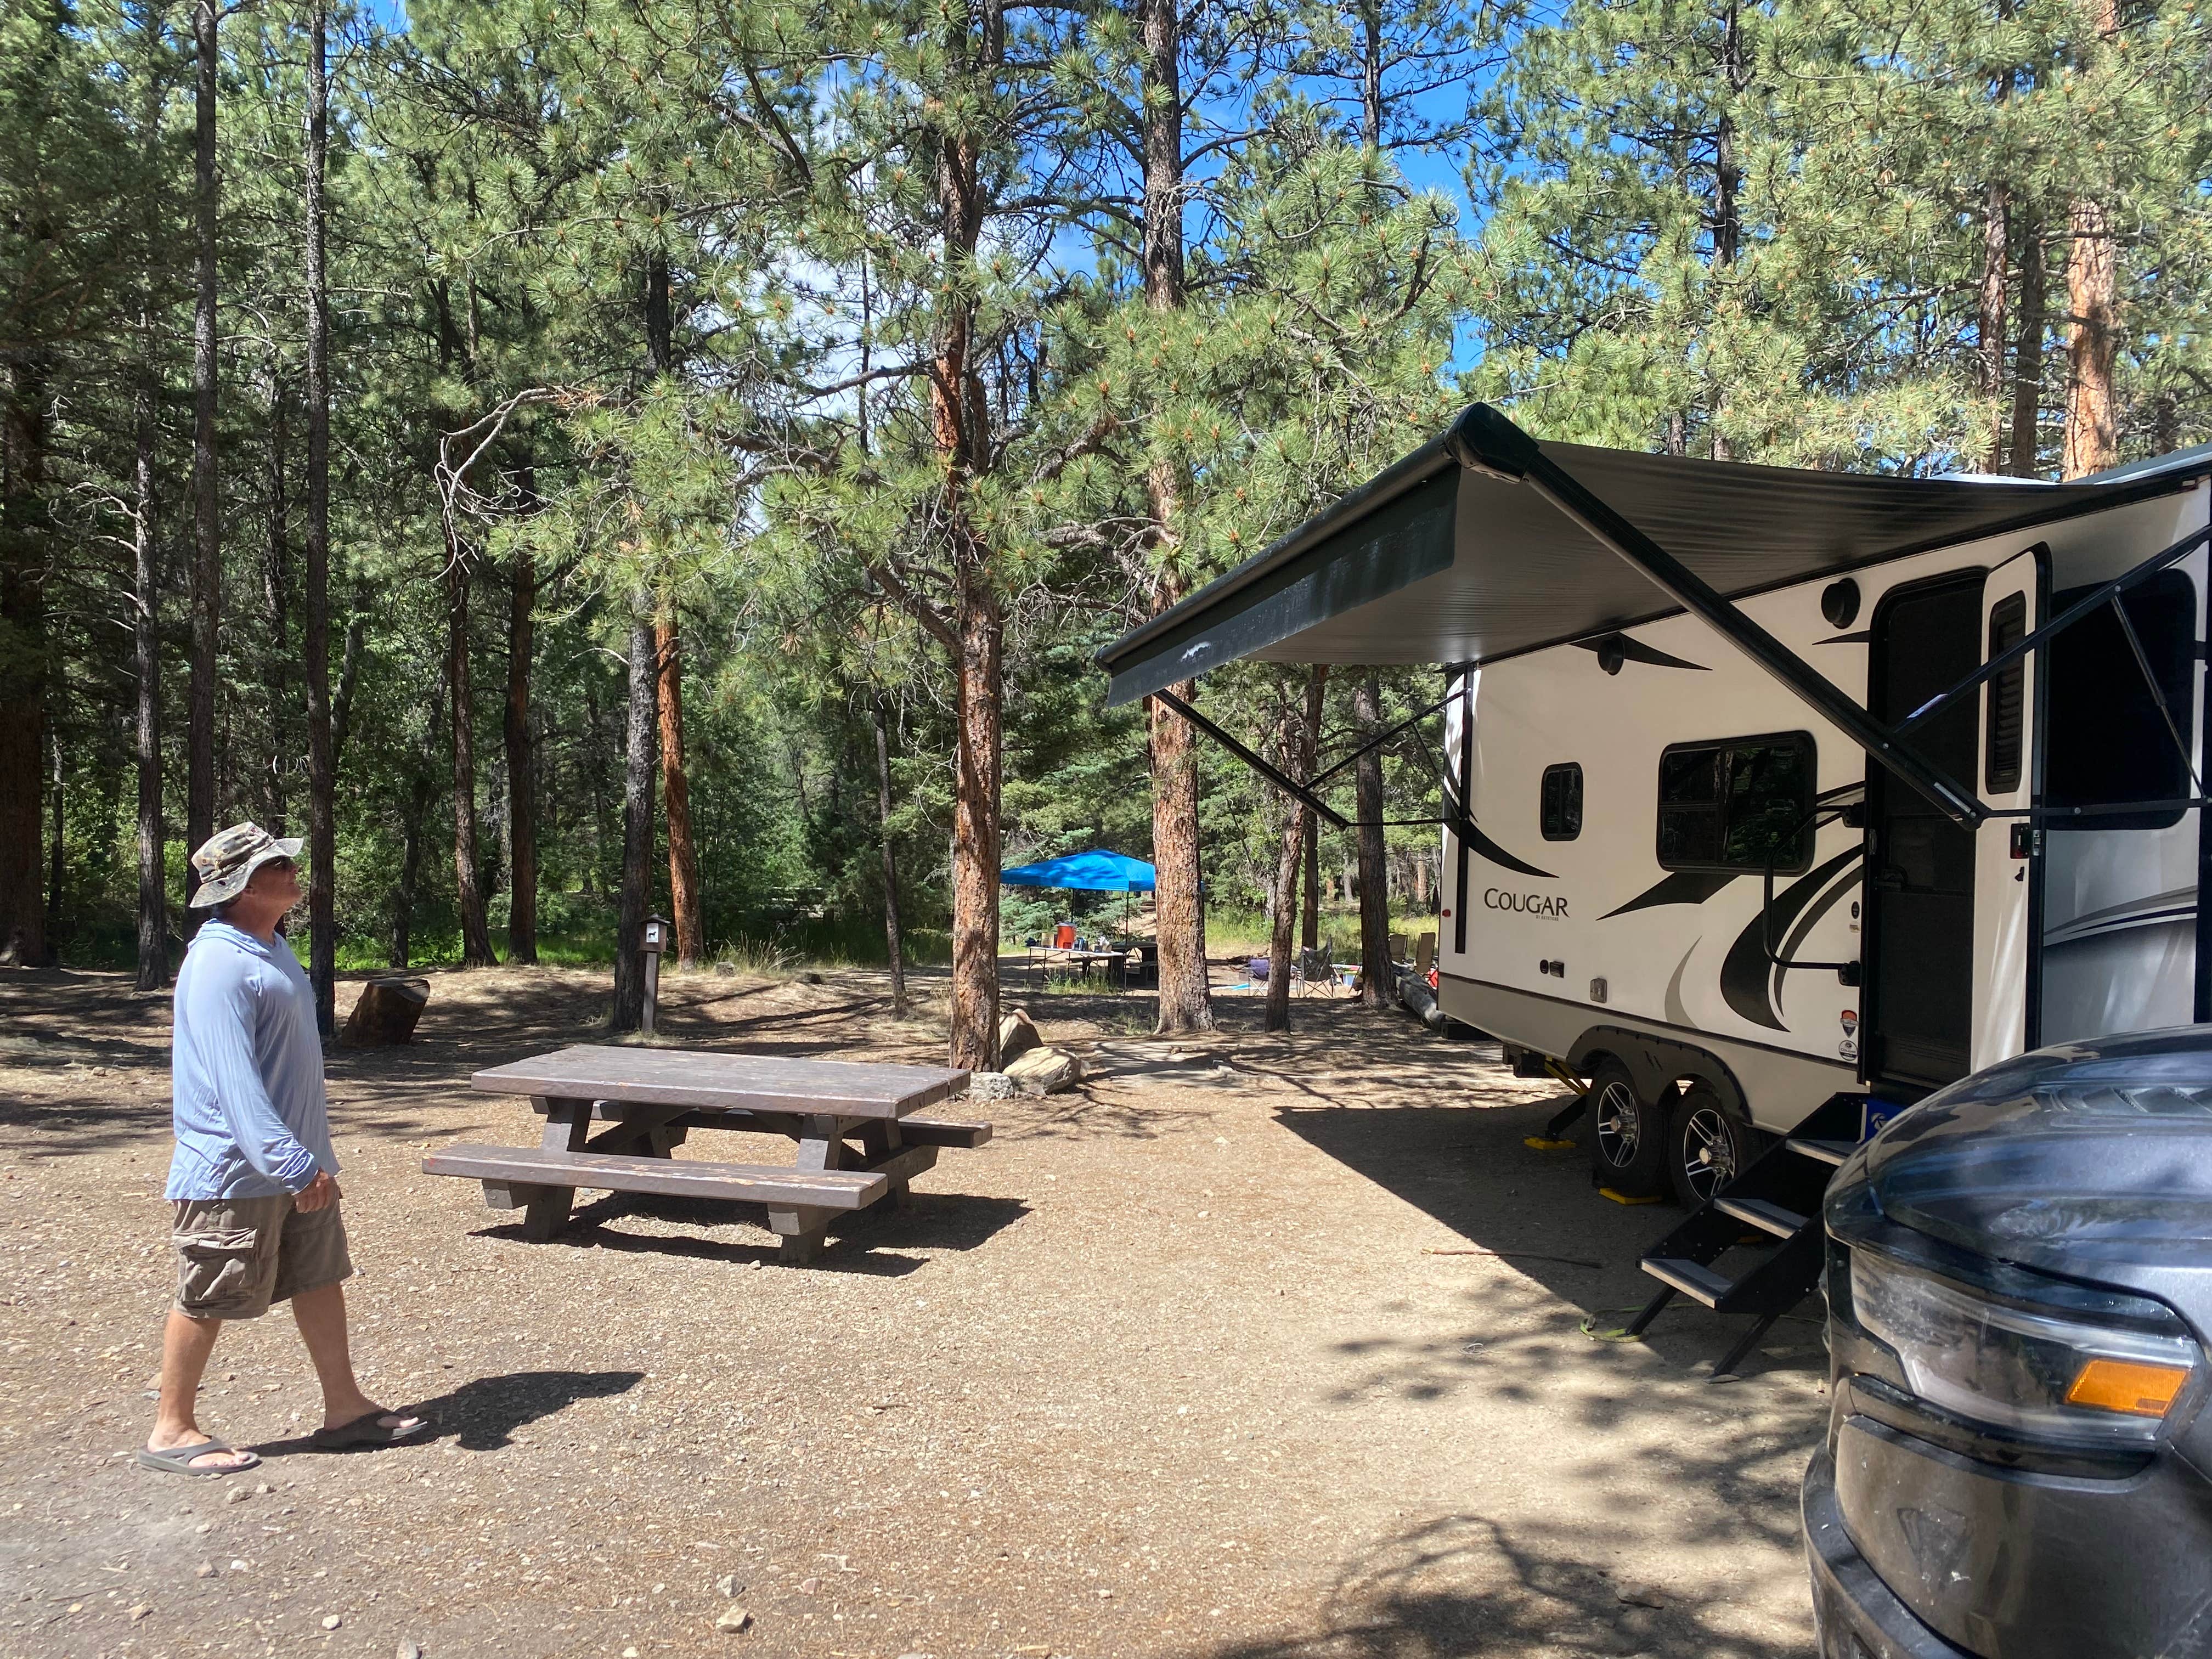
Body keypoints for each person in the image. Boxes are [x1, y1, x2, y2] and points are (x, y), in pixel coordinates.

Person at [139, 822, 428, 1475]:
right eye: (276, 865)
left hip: (297, 1165)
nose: (292, 871)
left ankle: (345, 1409)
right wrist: (292, 1164)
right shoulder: (218, 962)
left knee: (318, 1278)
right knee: (208, 1293)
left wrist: (310, 1160)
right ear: (243, 885)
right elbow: (233, 1083)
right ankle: (171, 1429)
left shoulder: (271, 947)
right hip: (235, 1172)